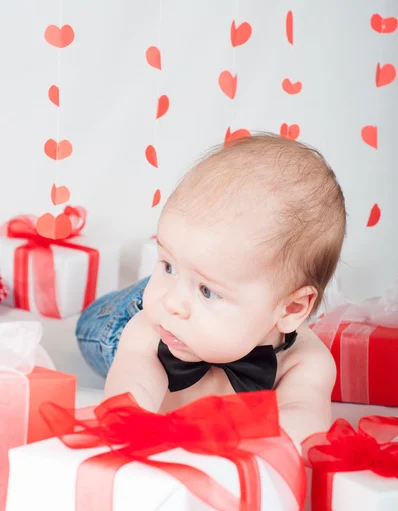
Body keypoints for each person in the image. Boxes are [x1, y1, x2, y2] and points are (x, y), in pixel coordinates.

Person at [76, 133, 346, 444]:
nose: (175, 302)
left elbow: (304, 424)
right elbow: (127, 398)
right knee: (144, 305)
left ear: (291, 309)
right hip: (118, 321)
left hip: (197, 325)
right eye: (166, 264)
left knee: (188, 276)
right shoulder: (151, 327)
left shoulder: (306, 361)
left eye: (208, 291)